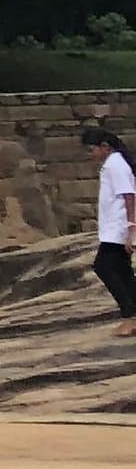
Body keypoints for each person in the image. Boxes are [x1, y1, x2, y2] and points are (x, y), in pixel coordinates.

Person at [90, 125, 136, 326]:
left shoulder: (115, 164)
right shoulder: (113, 164)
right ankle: (131, 313)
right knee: (123, 271)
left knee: (104, 266)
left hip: (118, 229)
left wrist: (131, 229)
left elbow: (129, 196)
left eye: (92, 149)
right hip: (114, 228)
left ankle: (129, 314)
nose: (91, 154)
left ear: (104, 146)